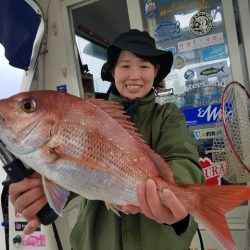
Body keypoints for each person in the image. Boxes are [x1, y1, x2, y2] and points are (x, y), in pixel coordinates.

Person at [9, 29, 205, 250]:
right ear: (112, 70)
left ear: (155, 71)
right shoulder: (90, 114)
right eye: (125, 66)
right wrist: (37, 191)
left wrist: (171, 198)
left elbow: (184, 161)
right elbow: (78, 178)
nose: (134, 75)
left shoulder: (167, 115)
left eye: (144, 66)